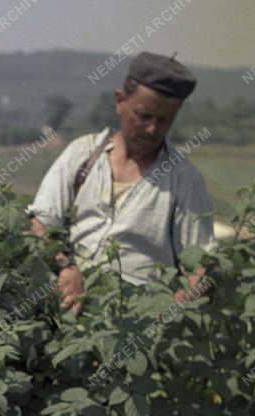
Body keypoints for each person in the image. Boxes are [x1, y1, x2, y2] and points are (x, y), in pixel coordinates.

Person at [29, 52, 215, 311]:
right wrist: (65, 267)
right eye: (144, 116)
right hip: (65, 313)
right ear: (120, 101)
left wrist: (164, 315)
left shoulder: (184, 180)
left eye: (164, 121)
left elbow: (201, 267)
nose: (152, 129)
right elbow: (40, 221)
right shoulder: (82, 154)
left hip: (136, 324)